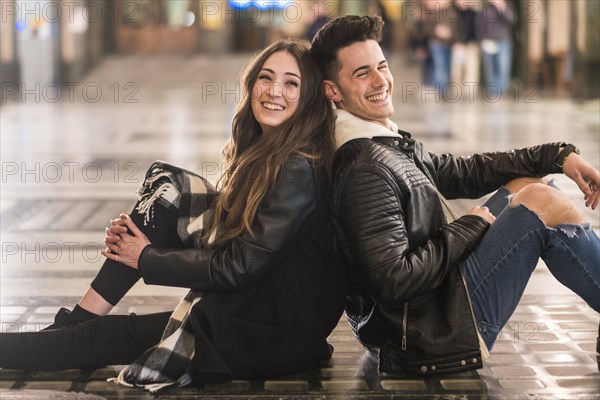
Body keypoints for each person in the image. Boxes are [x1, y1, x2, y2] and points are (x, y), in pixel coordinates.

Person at [0, 39, 347, 388]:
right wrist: (140, 243)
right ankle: (72, 324)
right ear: (252, 83)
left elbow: (237, 268)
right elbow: (236, 246)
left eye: (291, 83)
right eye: (266, 77)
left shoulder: (297, 168)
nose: (274, 91)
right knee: (167, 193)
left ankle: (64, 332)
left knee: (106, 336)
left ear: (309, 97)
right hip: (257, 307)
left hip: (269, 332)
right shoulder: (271, 152)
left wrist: (145, 257)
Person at [310, 15, 600, 375]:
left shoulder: (380, 139)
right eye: (362, 73)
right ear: (332, 91)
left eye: (382, 66)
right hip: (429, 332)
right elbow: (393, 281)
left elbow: (465, 171)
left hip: (434, 304)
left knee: (529, 184)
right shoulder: (363, 168)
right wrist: (469, 226)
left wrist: (557, 156)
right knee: (544, 201)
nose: (381, 80)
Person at [477, 0, 516, 95]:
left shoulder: (507, 6)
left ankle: (502, 93)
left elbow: (512, 20)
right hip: (488, 42)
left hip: (503, 42)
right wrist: (481, 39)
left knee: (503, 68)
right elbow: (479, 25)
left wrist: (501, 8)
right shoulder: (485, 8)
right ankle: (493, 93)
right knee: (490, 69)